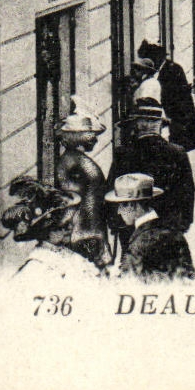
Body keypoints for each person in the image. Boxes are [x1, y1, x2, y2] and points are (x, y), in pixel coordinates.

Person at [108, 98, 195, 233]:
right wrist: (183, 224)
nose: (149, 124)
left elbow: (112, 191)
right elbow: (187, 192)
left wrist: (116, 224)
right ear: (160, 125)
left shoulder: (124, 153)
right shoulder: (177, 152)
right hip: (169, 227)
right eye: (148, 121)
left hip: (132, 227)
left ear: (136, 125)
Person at [0, 177, 101, 282]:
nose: (70, 228)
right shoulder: (36, 268)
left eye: (69, 223)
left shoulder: (73, 257)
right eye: (62, 226)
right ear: (45, 231)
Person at [106, 173, 195, 281]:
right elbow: (190, 279)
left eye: (121, 205)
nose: (119, 211)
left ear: (132, 204)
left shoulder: (139, 243)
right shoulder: (176, 234)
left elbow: (127, 284)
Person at [54, 101, 111, 268]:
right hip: (83, 230)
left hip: (91, 226)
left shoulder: (76, 159)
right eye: (89, 134)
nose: (95, 139)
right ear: (76, 136)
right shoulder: (70, 160)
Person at [142, 42, 195, 152]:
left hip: (178, 109)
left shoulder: (172, 69)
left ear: (159, 58)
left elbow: (175, 94)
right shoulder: (164, 68)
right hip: (174, 109)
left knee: (180, 139)